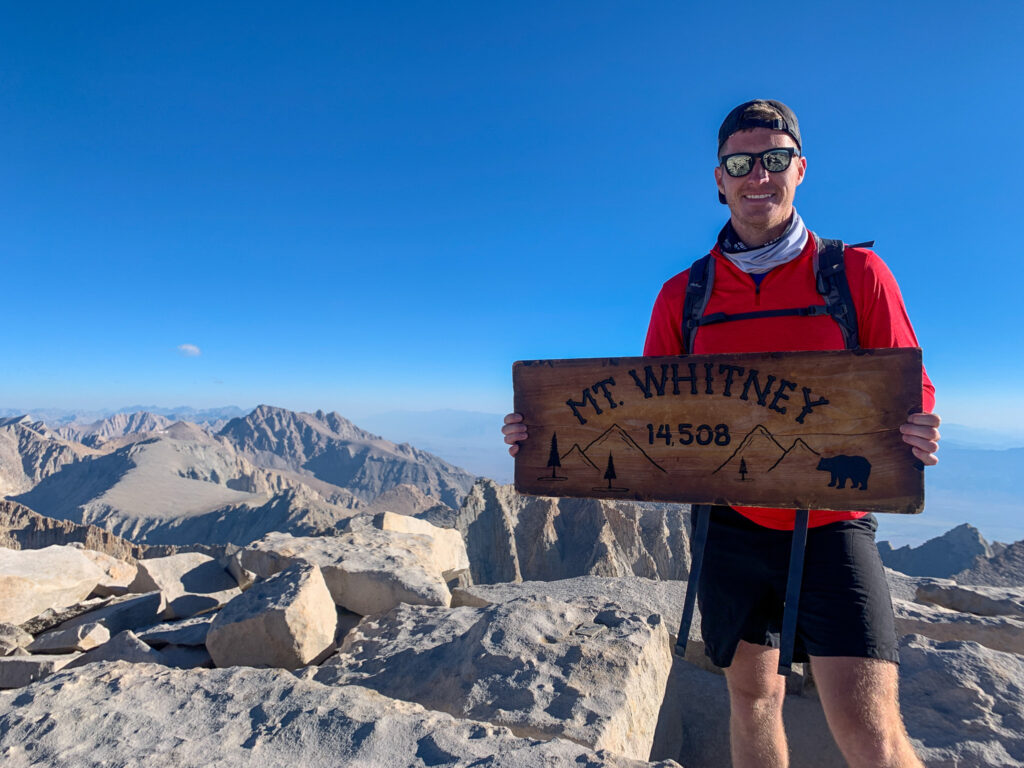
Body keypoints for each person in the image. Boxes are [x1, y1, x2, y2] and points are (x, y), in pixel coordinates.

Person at [502, 99, 940, 768]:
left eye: (772, 160)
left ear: (799, 170)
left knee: (872, 729)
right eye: (741, 163)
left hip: (833, 527)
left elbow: (907, 384)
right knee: (751, 700)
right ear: (719, 178)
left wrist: (916, 429)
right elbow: (637, 412)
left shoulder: (857, 277)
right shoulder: (686, 295)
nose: (756, 176)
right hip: (728, 527)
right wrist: (541, 431)